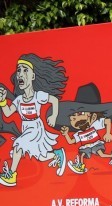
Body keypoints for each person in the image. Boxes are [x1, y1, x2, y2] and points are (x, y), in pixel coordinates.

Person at [0, 54, 69, 187]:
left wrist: (53, 116)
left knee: (18, 145)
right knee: (40, 156)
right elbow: (7, 113)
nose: (21, 74)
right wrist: (2, 101)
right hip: (26, 129)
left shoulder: (38, 96)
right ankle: (57, 154)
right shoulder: (19, 100)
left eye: (25, 70)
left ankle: (11, 175)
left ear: (33, 76)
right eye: (19, 70)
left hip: (36, 128)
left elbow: (54, 100)